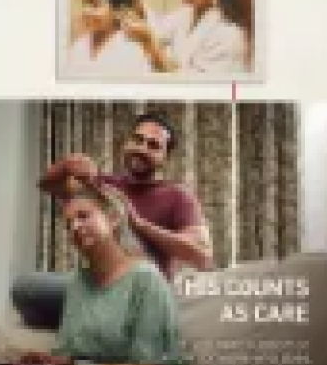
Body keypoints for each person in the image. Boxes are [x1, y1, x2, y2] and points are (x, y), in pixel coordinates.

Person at [0, 181, 190, 365]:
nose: (74, 227)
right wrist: (48, 362)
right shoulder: (79, 282)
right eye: (68, 224)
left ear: (112, 219)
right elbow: (71, 356)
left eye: (83, 216)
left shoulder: (146, 279)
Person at [38, 112, 214, 278]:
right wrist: (67, 165)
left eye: (153, 145)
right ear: (126, 143)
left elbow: (203, 257)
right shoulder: (103, 187)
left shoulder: (178, 196)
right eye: (137, 140)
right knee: (28, 289)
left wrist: (139, 224)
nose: (142, 149)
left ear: (165, 157)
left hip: (145, 291)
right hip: (100, 284)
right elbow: (48, 185)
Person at [61, 0, 172, 78]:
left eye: (94, 5)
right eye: (83, 4)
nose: (85, 11)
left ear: (118, 11)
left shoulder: (133, 47)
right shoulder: (80, 44)